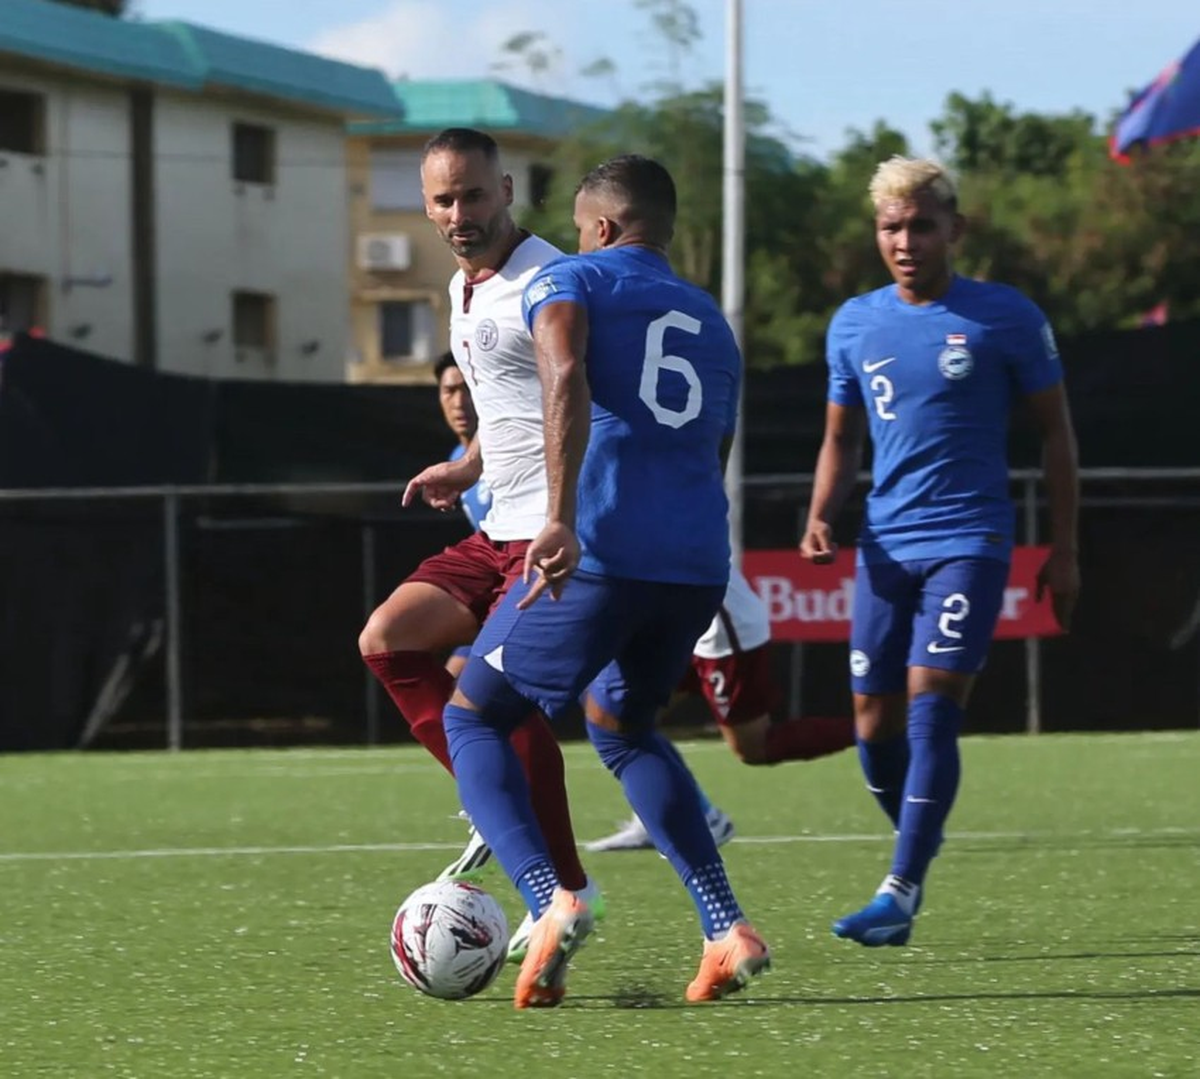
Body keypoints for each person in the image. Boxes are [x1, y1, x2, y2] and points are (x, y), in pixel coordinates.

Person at [442, 154, 771, 1008]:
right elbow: (718, 442)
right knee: (621, 724)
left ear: (600, 227)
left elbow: (563, 374)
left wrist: (559, 516)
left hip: (605, 550)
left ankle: (550, 899)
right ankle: (725, 926)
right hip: (696, 562)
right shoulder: (710, 315)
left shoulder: (571, 278)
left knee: (473, 714)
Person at [800, 156, 1080, 947]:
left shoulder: (1005, 316)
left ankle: (900, 889)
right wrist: (821, 513)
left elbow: (1057, 433)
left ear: (955, 228)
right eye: (891, 226)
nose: (906, 240)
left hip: (971, 538)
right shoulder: (854, 324)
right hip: (885, 544)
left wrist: (1065, 548)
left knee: (931, 703)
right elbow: (840, 438)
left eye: (922, 225)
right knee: (871, 723)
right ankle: (919, 839)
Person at [357, 128, 601, 952]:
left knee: (496, 705)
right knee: (387, 639)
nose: (459, 212)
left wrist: (562, 515)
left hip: (545, 535)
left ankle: (566, 887)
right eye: (443, 199)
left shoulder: (547, 279)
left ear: (506, 190)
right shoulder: (465, 289)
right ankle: (494, 800)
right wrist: (467, 466)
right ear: (427, 207)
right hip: (494, 530)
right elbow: (510, 406)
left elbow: (570, 388)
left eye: (472, 194)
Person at [586, 566, 856, 851]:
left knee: (755, 746)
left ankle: (871, 732)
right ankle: (660, 817)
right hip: (686, 623)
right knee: (622, 720)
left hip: (722, 631)